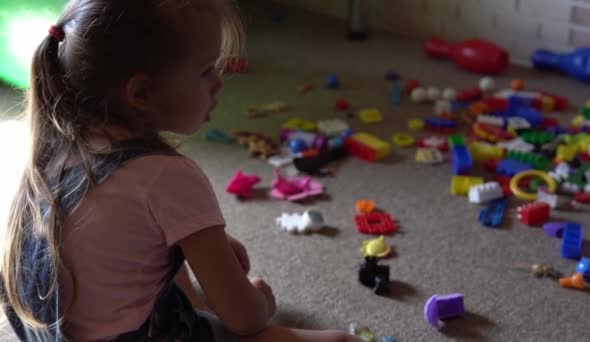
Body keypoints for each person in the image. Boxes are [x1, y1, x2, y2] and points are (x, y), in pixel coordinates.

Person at [0, 0, 363, 341]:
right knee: (339, 340)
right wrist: (259, 301)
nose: (220, 83)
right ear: (141, 94)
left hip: (48, 333)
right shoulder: (166, 177)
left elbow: (129, 239)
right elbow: (245, 319)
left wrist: (205, 249)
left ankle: (197, 308)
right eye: (206, 71)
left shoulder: (57, 145)